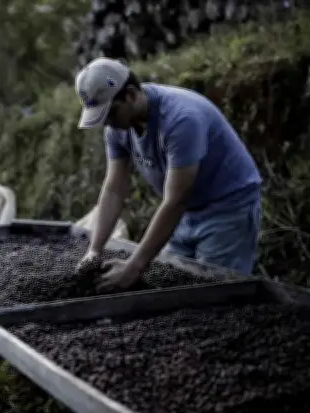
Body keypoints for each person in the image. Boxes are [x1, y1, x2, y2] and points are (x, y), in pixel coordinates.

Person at [73, 58, 262, 292]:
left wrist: (133, 267)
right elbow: (114, 189)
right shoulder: (117, 129)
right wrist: (95, 250)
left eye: (110, 114)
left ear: (130, 95)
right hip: (184, 214)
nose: (106, 124)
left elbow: (175, 200)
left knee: (214, 297)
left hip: (227, 210)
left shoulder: (181, 120)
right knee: (170, 289)